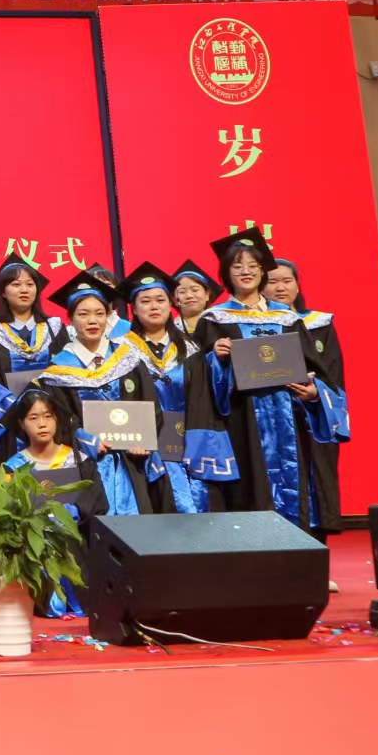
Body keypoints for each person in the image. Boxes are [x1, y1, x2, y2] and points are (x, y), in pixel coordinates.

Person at [196, 231, 349, 538]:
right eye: (237, 265)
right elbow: (198, 384)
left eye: (253, 265)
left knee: (298, 490)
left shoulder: (287, 318)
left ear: (263, 271)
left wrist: (314, 393)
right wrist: (216, 359)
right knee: (247, 493)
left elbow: (319, 372)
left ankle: (296, 555)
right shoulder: (214, 320)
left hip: (290, 419)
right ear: (226, 273)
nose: (246, 271)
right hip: (241, 422)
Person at [38, 269, 159, 517]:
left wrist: (143, 439)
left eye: (99, 313)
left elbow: (151, 406)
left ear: (109, 316)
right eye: (83, 314)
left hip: (131, 463)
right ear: (71, 319)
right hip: (87, 464)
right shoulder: (59, 370)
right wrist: (84, 438)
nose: (92, 321)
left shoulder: (128, 359)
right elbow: (60, 421)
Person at [119, 262, 231, 515]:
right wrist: (132, 438)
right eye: (145, 301)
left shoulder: (191, 349)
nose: (154, 306)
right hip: (143, 449)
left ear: (171, 304)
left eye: (160, 300)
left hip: (186, 443)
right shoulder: (121, 351)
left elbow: (207, 397)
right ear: (133, 308)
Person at [0, 386, 105, 617]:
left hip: (75, 536)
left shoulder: (79, 461)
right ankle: (44, 599)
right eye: (33, 418)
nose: (42, 424)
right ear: (21, 423)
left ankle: (78, 596)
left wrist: (71, 512)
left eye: (48, 416)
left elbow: (97, 504)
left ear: (57, 419)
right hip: (32, 540)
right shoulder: (12, 467)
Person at [266, 257, 345, 536]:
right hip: (274, 420)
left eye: (287, 281)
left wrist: (316, 393)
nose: (280, 288)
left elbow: (334, 374)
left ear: (297, 285)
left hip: (313, 417)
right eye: (272, 282)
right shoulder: (257, 326)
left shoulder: (319, 324)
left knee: (316, 485)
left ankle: (318, 551)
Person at [0, 255, 65, 448]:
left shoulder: (54, 328)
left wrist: (48, 407)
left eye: (30, 284)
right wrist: (19, 410)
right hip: (10, 421)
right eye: (16, 284)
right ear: (3, 292)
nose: (24, 290)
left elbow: (67, 372)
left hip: (52, 418)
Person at [171, 259, 222, 340]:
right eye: (182, 292)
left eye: (195, 290)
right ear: (175, 300)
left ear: (207, 294)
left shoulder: (222, 325)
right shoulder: (169, 332)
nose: (189, 295)